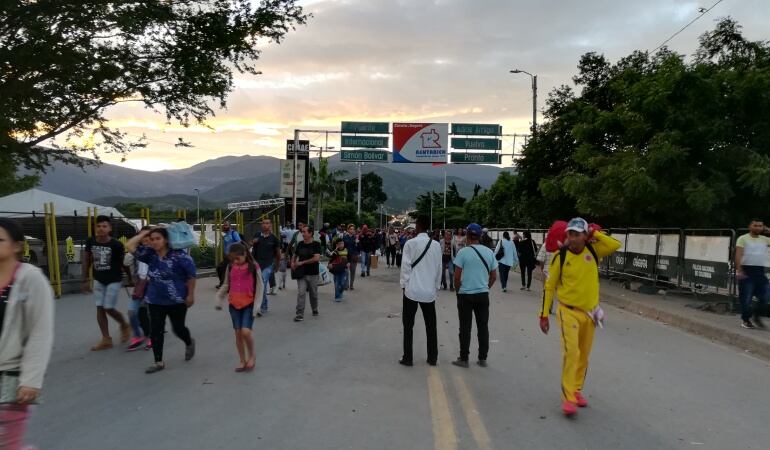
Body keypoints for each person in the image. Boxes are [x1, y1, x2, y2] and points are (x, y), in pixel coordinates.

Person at [539, 218, 621, 416]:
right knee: (572, 352)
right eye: (570, 234)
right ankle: (568, 397)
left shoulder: (593, 251)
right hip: (567, 311)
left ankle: (576, 389)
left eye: (577, 234)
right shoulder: (560, 256)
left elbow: (615, 245)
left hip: (589, 313)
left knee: (583, 354)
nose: (573, 238)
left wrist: (596, 233)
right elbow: (549, 287)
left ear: (585, 236)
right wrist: (544, 315)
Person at [0, 218, 55, 450]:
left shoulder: (31, 278)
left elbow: (40, 332)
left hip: (11, 376)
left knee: (7, 443)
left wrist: (31, 380)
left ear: (17, 246)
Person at [126, 227, 197, 374]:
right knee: (156, 330)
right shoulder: (149, 254)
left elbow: (191, 276)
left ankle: (189, 342)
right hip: (155, 299)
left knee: (178, 328)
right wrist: (145, 233)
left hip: (177, 300)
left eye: (158, 238)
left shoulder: (180, 256)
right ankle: (158, 362)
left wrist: (190, 295)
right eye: (152, 239)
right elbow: (129, 245)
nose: (154, 242)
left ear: (166, 240)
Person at [452, 223, 498, 368]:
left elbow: (457, 277)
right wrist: (485, 287)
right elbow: (494, 276)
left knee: (465, 328)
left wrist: (458, 291)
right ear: (479, 236)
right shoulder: (489, 252)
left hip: (465, 295)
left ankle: (464, 358)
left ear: (467, 235)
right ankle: (482, 358)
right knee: (483, 326)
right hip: (483, 295)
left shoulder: (463, 253)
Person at [399, 216, 442, 367]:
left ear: (417, 226)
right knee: (431, 326)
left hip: (412, 290)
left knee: (408, 326)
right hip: (429, 292)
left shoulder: (410, 243)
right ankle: (432, 357)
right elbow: (439, 268)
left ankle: (408, 358)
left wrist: (404, 285)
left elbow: (405, 267)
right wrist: (436, 287)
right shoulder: (436, 245)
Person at [83, 215, 131, 351]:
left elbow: (124, 263)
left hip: (114, 280)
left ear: (110, 228)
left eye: (104, 226)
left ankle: (124, 324)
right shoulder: (90, 241)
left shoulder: (116, 244)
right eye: (98, 226)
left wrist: (130, 278)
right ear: (94, 228)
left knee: (108, 307)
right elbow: (87, 260)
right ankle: (106, 339)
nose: (101, 229)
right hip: (98, 279)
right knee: (100, 307)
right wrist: (85, 279)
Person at [216, 243, 263, 372]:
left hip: (249, 304)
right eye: (233, 259)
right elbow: (226, 284)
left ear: (245, 254)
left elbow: (260, 287)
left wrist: (257, 306)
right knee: (238, 333)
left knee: (245, 332)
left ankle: (252, 355)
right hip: (234, 304)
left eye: (238, 258)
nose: (235, 261)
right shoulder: (231, 266)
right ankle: (242, 360)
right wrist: (219, 297)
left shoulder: (254, 267)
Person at [735, 219, 770, 329]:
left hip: (760, 272)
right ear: (750, 226)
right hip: (746, 271)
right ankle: (746, 320)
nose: (758, 228)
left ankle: (757, 316)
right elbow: (738, 254)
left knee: (766, 296)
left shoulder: (765, 239)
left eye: (760, 226)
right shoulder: (743, 238)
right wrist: (739, 270)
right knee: (746, 299)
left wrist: (769, 230)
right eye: (755, 225)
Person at [126, 226, 152, 351]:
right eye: (141, 236)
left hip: (152, 287)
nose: (144, 238)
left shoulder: (157, 251)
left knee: (150, 313)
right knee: (132, 311)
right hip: (139, 286)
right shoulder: (138, 251)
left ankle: (152, 337)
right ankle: (137, 336)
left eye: (147, 236)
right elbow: (128, 246)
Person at [251, 218, 281, 317]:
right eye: (263, 223)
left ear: (270, 225)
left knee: (262, 283)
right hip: (256, 264)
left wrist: (277, 265)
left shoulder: (274, 238)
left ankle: (261, 307)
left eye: (267, 223)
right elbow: (249, 245)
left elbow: (278, 253)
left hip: (268, 264)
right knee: (257, 285)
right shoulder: (257, 235)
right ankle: (263, 305)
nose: (264, 225)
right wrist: (252, 242)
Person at [292, 226, 322, 322]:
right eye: (302, 232)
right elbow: (295, 254)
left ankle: (314, 308)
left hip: (313, 273)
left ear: (310, 233)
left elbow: (316, 258)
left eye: (304, 232)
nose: (303, 234)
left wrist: (302, 262)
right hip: (301, 273)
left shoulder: (316, 244)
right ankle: (299, 314)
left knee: (313, 294)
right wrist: (292, 262)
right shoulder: (300, 244)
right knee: (301, 293)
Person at [216, 221, 241, 289]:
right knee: (220, 268)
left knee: (224, 269)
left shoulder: (234, 233)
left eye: (226, 225)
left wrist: (231, 245)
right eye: (224, 225)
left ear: (230, 226)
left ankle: (224, 285)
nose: (224, 226)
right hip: (226, 255)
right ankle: (224, 284)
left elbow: (239, 241)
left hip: (232, 255)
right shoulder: (225, 235)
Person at [343, 224, 360, 289]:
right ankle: (346, 285)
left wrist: (357, 244)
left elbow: (358, 247)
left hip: (354, 257)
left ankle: (351, 285)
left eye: (353, 229)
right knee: (346, 271)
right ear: (348, 230)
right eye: (351, 229)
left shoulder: (356, 238)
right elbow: (342, 247)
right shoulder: (345, 237)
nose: (352, 230)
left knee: (353, 271)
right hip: (346, 257)